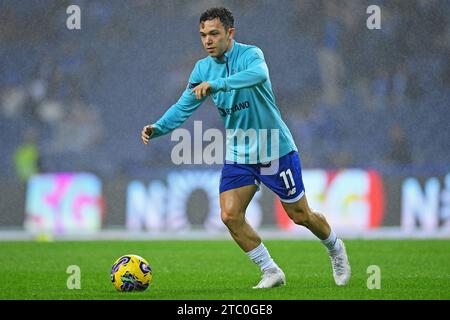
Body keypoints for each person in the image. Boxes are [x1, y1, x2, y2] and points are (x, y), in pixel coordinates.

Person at [141, 7, 350, 289]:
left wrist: (218, 85)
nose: (207, 40)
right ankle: (271, 270)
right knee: (229, 215)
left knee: (301, 215)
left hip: (275, 149)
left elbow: (259, 75)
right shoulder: (202, 68)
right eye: (203, 35)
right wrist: (159, 127)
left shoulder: (251, 55)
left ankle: (335, 247)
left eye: (214, 33)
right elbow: (184, 105)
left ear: (230, 33)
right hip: (240, 153)